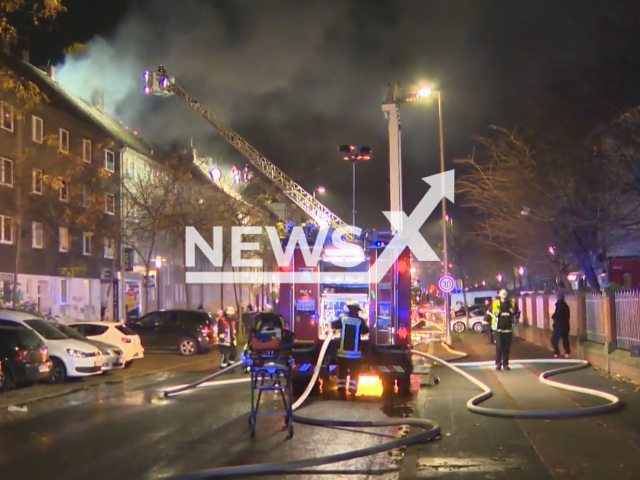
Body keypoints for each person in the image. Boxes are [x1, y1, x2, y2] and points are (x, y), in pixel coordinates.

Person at [331, 303, 370, 396]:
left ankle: (341, 388)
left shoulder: (343, 319)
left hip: (343, 353)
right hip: (355, 354)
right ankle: (352, 390)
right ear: (357, 311)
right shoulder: (360, 321)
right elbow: (366, 330)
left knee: (342, 371)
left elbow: (334, 324)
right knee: (354, 371)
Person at [489, 289, 520, 371]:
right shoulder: (495, 303)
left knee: (506, 348)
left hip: (508, 329)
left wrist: (513, 312)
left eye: (505, 298)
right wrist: (496, 313)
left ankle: (505, 364)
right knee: (498, 347)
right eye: (503, 298)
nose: (504, 300)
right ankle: (498, 363)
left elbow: (517, 314)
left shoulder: (512, 304)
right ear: (500, 297)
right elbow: (489, 313)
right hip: (498, 329)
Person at [551, 293, 571, 358]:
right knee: (565, 339)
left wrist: (553, 316)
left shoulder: (559, 305)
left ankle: (556, 352)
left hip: (559, 326)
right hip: (566, 325)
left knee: (554, 339)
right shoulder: (566, 305)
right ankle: (567, 352)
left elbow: (558, 315)